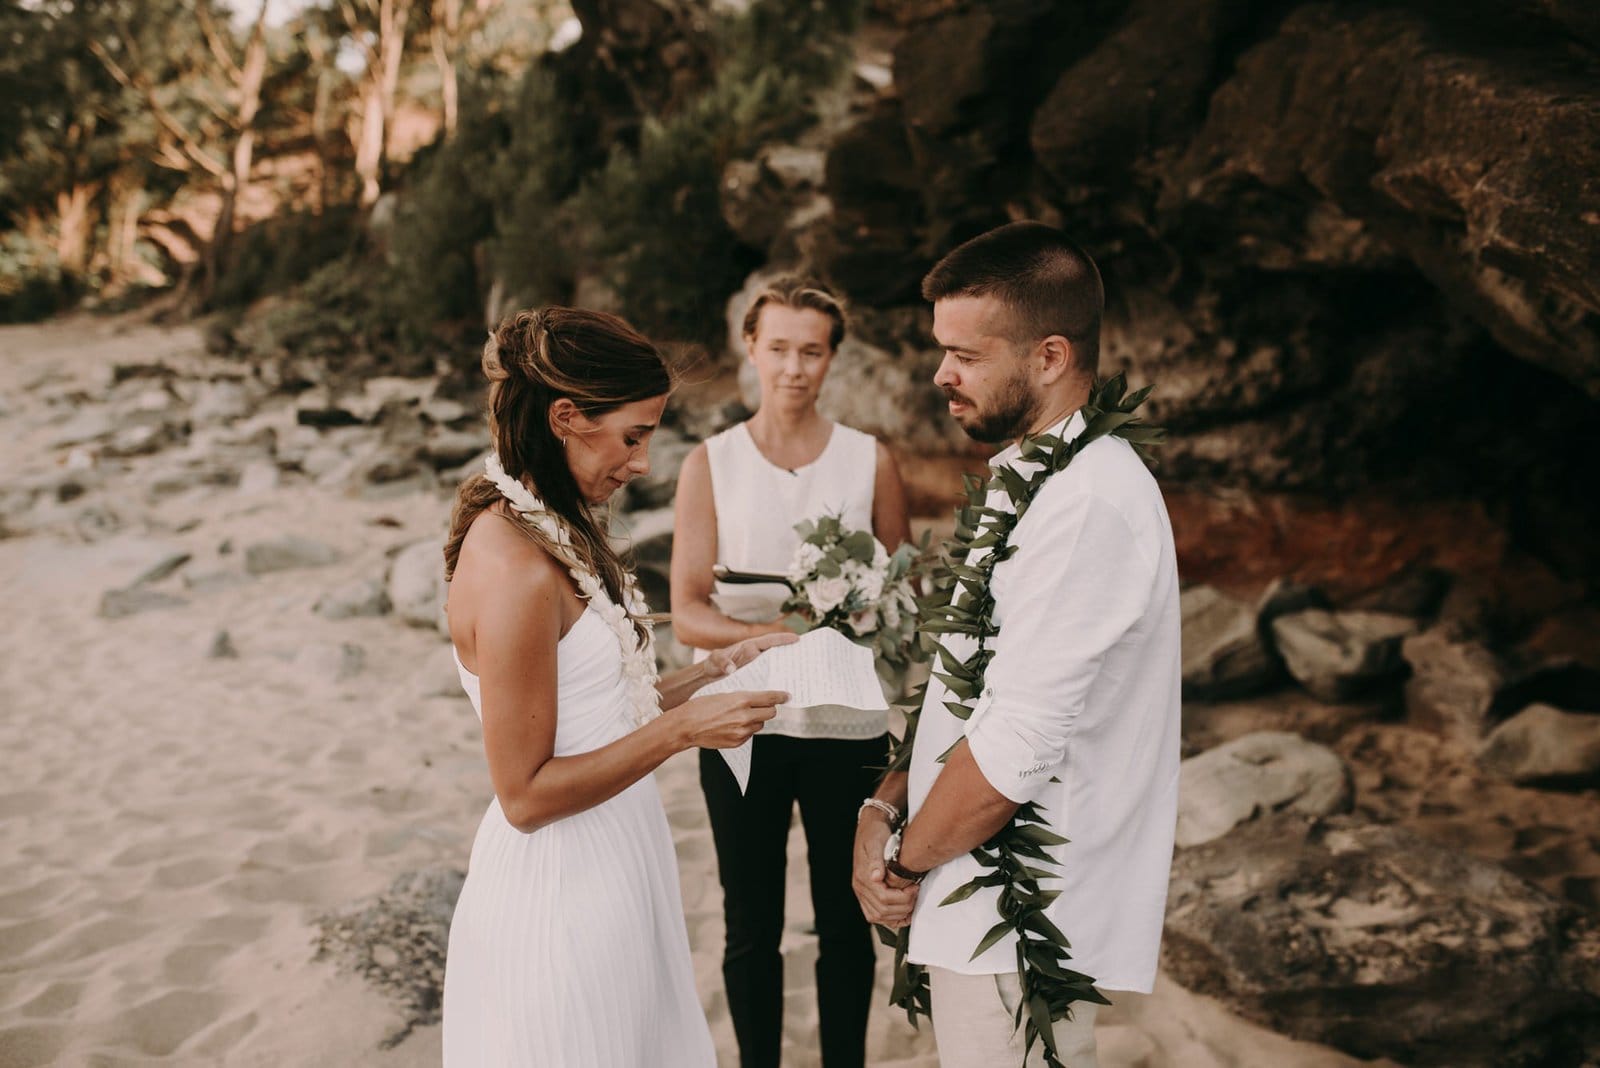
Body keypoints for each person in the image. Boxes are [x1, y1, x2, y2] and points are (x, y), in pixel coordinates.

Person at [852, 222, 1182, 1067]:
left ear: (1049, 356)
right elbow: (965, 689)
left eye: (966, 354)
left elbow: (1015, 748)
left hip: (1021, 922)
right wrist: (882, 803)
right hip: (973, 907)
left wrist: (900, 860)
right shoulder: (1026, 478)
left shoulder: (1085, 506)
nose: (940, 374)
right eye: (941, 350)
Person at [440, 307, 795, 1067]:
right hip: (560, 891)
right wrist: (685, 732)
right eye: (633, 435)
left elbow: (597, 714)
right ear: (566, 417)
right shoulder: (514, 568)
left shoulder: (555, 531)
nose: (641, 463)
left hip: (619, 861)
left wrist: (710, 674)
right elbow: (526, 794)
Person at [670, 278, 912, 1068]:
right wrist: (777, 633)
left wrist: (869, 610)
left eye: (812, 350)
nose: (795, 367)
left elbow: (903, 596)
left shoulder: (871, 460)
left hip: (848, 726)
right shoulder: (711, 464)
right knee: (751, 924)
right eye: (779, 348)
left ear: (833, 356)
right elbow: (687, 611)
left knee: (845, 921)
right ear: (752, 349)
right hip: (742, 723)